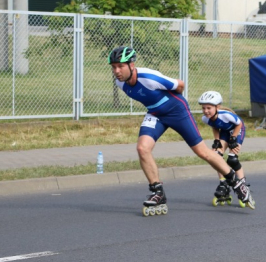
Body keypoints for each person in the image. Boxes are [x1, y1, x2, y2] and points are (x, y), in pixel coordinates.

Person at [108, 46, 254, 214]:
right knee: (142, 148)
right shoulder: (120, 83)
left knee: (202, 152)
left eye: (120, 66)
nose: (116, 71)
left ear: (131, 65)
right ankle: (158, 193)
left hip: (177, 111)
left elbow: (180, 85)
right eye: (113, 67)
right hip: (155, 114)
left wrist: (171, 101)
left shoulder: (149, 78)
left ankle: (236, 183)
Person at [198, 91, 249, 207]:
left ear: (217, 107)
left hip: (237, 130)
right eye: (203, 108)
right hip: (225, 132)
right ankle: (223, 183)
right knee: (216, 156)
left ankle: (243, 185)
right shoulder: (205, 118)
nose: (206, 111)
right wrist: (217, 140)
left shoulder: (226, 115)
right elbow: (215, 126)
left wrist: (234, 139)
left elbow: (239, 124)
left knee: (232, 159)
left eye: (209, 108)